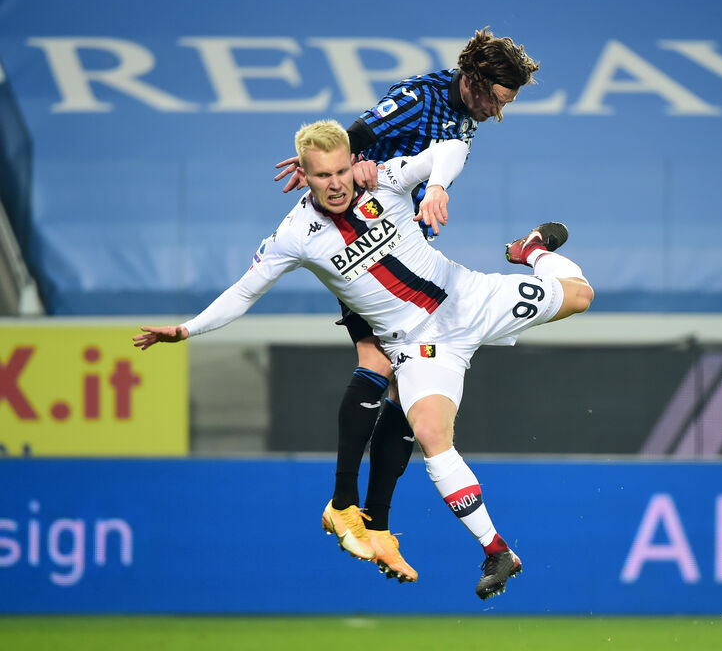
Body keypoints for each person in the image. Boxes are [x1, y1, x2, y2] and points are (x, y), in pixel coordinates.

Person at [134, 119, 592, 600]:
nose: (334, 184)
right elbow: (244, 292)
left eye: (340, 171)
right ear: (303, 177)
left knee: (581, 295)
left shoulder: (385, 179)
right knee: (434, 436)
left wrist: (435, 186)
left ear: (351, 162)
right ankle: (497, 551)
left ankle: (532, 249)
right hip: (417, 345)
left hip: (468, 298)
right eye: (320, 176)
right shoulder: (295, 235)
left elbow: (452, 146)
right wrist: (187, 329)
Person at [271, 28, 540, 582]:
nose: (497, 113)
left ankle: (376, 523)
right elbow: (360, 131)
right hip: (361, 244)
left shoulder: (465, 115)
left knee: (403, 388)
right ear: (472, 80)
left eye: (505, 105)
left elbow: (442, 154)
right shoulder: (422, 96)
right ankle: (345, 504)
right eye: (495, 99)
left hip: (401, 256)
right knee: (376, 363)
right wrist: (338, 167)